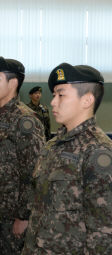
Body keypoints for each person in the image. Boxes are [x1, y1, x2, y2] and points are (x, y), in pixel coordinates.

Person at [22, 63, 112, 254]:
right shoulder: (52, 145)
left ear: (87, 100)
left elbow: (104, 234)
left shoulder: (98, 152)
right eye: (54, 95)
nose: (53, 102)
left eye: (61, 95)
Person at [0, 56, 45, 254]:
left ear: (13, 82)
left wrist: (23, 216)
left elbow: (34, 172)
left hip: (11, 215)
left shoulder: (25, 121)